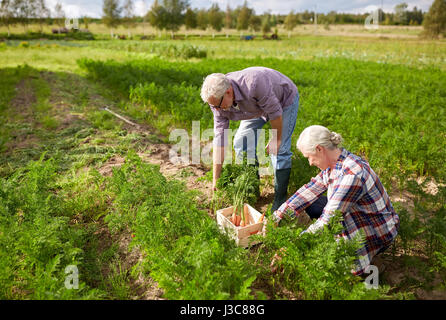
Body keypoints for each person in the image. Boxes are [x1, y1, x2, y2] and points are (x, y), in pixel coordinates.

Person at [271, 125, 400, 275]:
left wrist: (293, 247)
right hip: (357, 212)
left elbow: (327, 221)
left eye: (309, 157)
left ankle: (371, 265)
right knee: (313, 204)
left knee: (332, 268)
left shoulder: (351, 175)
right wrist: (277, 215)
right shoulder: (336, 162)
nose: (310, 163)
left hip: (377, 230)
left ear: (320, 149)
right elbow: (310, 190)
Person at [200, 67, 299, 213]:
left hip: (283, 101)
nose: (217, 109)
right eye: (213, 106)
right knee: (241, 142)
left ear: (228, 92)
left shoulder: (254, 83)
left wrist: (276, 139)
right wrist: (216, 179)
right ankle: (253, 188)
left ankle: (280, 198)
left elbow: (275, 112)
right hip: (255, 107)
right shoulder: (217, 101)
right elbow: (219, 139)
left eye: (218, 105)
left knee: (279, 150)